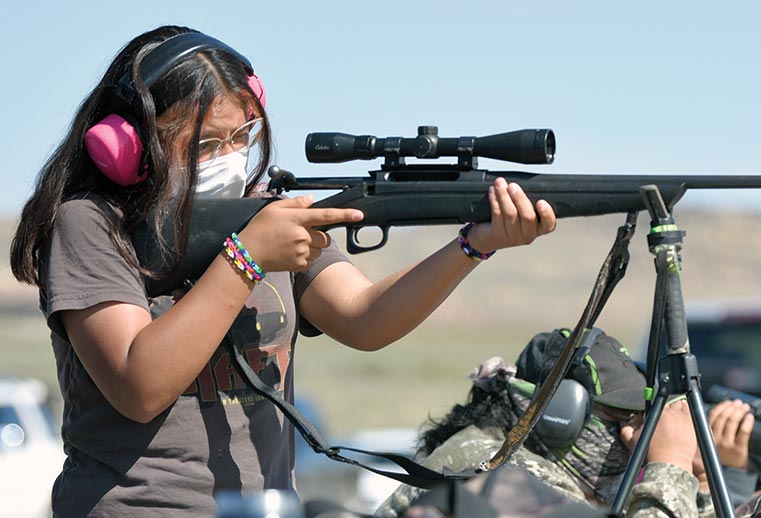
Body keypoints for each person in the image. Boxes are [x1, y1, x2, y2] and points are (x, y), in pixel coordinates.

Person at [8, 26, 556, 517]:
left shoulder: (261, 216)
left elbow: (365, 319)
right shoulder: (91, 224)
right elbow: (139, 385)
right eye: (204, 143)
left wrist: (473, 246)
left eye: (241, 137)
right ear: (132, 147)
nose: (230, 156)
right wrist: (245, 259)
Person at [375, 328, 710, 518]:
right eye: (624, 417)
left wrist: (701, 478)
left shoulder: (530, 458)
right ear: (560, 414)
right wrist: (671, 463)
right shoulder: (497, 468)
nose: (633, 436)